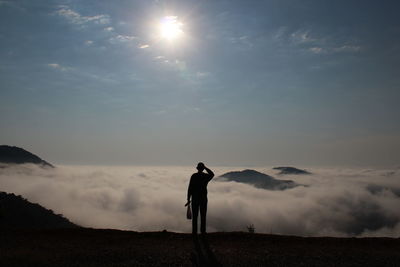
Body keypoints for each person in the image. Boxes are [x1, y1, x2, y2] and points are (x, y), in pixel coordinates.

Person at [186, 162, 214, 235]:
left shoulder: (194, 176)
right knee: (203, 216)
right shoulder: (205, 176)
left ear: (197, 168)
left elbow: (190, 188)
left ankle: (194, 232)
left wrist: (188, 199)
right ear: (202, 169)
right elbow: (212, 174)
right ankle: (203, 231)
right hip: (203, 199)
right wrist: (205, 168)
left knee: (195, 217)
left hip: (195, 199)